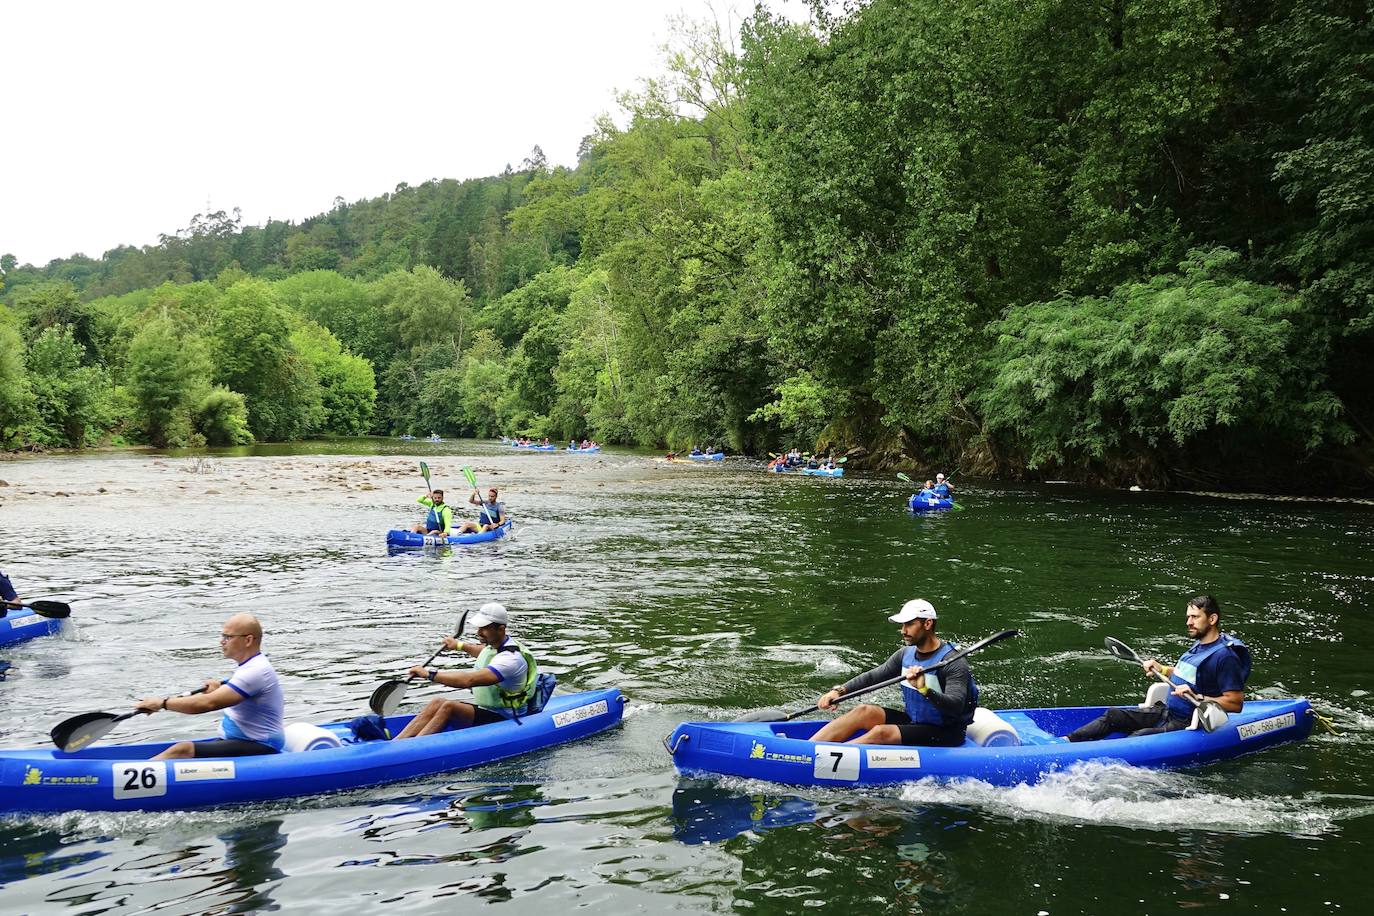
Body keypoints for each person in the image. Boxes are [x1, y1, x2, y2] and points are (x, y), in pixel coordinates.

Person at [1067, 595, 1250, 742]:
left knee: (1137, 739)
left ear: (1212, 618)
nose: (1188, 622)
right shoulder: (1200, 645)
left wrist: (1198, 697)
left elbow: (1235, 703)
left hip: (1188, 722)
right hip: (1167, 712)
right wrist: (1161, 669)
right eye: (1188, 617)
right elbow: (1185, 675)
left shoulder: (1225, 657)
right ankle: (1066, 742)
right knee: (1114, 715)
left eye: (1195, 617)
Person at [809, 599, 978, 747]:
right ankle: (810, 748)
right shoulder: (906, 654)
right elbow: (874, 676)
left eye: (909, 624)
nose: (903, 630)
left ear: (927, 624)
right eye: (902, 625)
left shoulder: (954, 662)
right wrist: (838, 691)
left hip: (946, 732)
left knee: (881, 733)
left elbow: (955, 706)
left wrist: (924, 689)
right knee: (864, 711)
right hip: (915, 722)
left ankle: (825, 757)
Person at [134, 613, 285, 759]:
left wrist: (162, 703)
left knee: (183, 750)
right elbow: (236, 692)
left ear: (248, 640)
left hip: (260, 745)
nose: (221, 641)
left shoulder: (255, 671)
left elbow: (206, 704)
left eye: (228, 637)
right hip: (240, 741)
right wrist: (219, 689)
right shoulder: (251, 666)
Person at [394, 603, 540, 739]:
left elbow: (469, 680)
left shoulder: (510, 660)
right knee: (436, 702)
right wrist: (458, 645)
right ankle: (396, 744)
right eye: (478, 628)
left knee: (449, 707)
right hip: (490, 709)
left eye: (484, 628)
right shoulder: (498, 644)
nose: (479, 632)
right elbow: (483, 652)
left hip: (507, 717)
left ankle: (414, 748)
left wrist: (429, 674)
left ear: (500, 629)